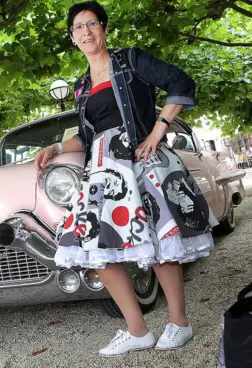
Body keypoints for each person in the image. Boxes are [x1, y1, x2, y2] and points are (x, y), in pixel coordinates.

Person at [34, 1, 218, 357]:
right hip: (104, 169)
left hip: (141, 160)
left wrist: (157, 131)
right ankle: (138, 330)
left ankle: (180, 323)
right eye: (78, 27)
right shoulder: (82, 85)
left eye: (92, 24)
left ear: (103, 28)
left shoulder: (130, 60)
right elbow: (88, 136)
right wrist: (56, 146)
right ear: (72, 38)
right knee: (97, 250)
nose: (86, 32)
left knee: (161, 242)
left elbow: (180, 81)